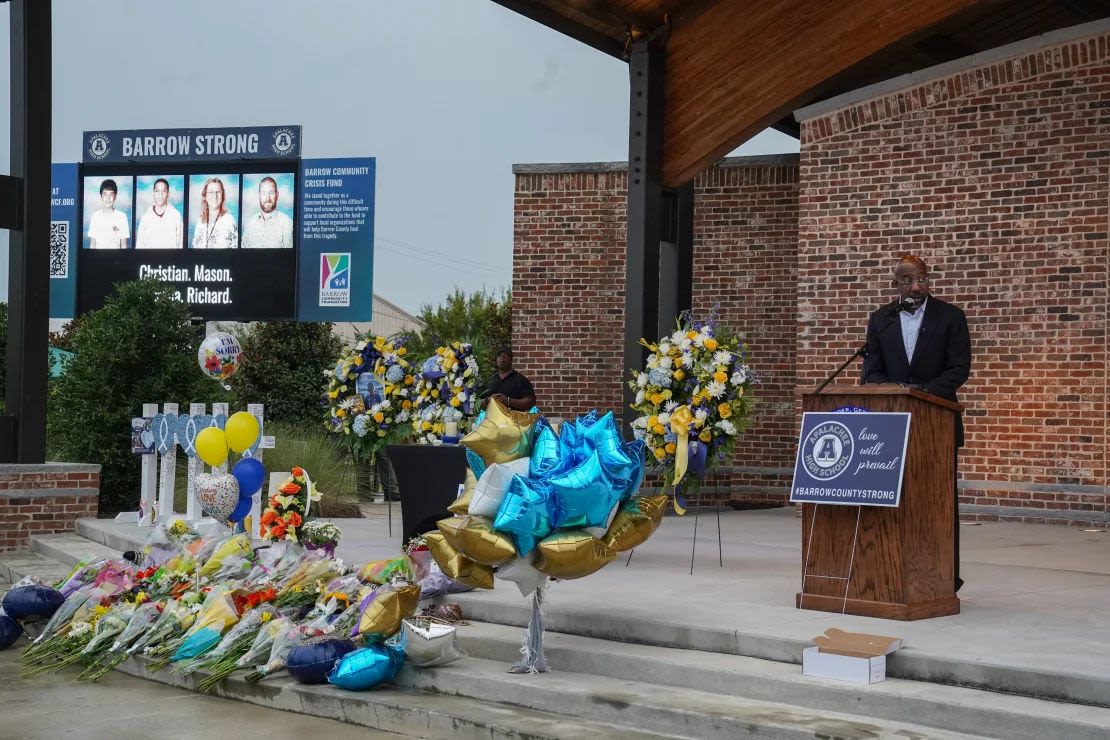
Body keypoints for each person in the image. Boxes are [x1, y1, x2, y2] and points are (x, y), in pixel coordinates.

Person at [862, 254, 971, 592]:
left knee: (938, 504)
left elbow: (958, 369)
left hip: (935, 423)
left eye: (921, 278)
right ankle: (891, 574)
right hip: (890, 426)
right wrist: (896, 392)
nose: (916, 286)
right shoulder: (881, 319)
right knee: (893, 503)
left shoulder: (951, 317)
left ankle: (944, 577)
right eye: (908, 280)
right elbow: (871, 371)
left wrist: (921, 393)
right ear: (896, 283)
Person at [241, 176, 294, 249]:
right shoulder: (250, 224)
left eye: (271, 193)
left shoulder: (287, 223)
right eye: (263, 193)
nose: (267, 198)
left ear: (277, 195)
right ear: (259, 195)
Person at [482, 347, 536, 412]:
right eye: (499, 356)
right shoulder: (489, 380)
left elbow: (530, 402)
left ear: (511, 360)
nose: (502, 358)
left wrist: (508, 401)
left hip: (513, 420)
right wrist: (489, 400)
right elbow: (478, 403)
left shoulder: (521, 380)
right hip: (492, 420)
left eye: (505, 356)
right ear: (496, 359)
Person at [135, 178, 183, 249]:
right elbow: (139, 246)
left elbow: (181, 245)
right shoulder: (145, 218)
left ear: (168, 194)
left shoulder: (176, 216)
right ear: (153, 193)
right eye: (157, 191)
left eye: (164, 191)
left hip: (171, 259)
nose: (160, 195)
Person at [192, 177, 238, 249]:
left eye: (218, 192)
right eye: (211, 192)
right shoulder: (200, 222)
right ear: (205, 196)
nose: (215, 196)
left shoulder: (229, 221)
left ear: (222, 195)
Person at [87, 179, 130, 249]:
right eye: (105, 194)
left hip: (116, 258)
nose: (108, 198)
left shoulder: (122, 217)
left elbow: (124, 245)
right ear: (101, 197)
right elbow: (92, 244)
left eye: (111, 194)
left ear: (115, 197)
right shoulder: (95, 216)